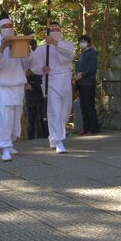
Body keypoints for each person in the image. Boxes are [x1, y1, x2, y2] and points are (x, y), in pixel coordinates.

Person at [0, 11, 34, 162]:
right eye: (5, 26)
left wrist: (28, 50)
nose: (8, 28)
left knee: (16, 117)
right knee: (5, 116)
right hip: (1, 85)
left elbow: (27, 63)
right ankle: (4, 147)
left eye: (10, 25)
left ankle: (10, 142)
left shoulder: (18, 42)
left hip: (17, 84)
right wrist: (3, 46)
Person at [31, 21, 74, 154]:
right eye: (52, 29)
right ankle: (59, 140)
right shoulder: (41, 49)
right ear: (47, 32)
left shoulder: (67, 44)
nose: (55, 30)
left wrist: (54, 43)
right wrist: (42, 68)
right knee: (54, 110)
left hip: (66, 79)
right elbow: (35, 66)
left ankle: (53, 137)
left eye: (57, 28)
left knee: (64, 112)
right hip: (51, 80)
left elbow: (68, 55)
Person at [74, 34, 99, 135]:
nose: (82, 43)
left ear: (88, 43)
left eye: (84, 41)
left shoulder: (92, 53)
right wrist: (76, 74)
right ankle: (85, 127)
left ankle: (93, 128)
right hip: (81, 84)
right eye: (80, 41)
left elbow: (92, 68)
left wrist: (82, 75)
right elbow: (77, 66)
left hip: (88, 83)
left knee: (89, 106)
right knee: (83, 106)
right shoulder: (82, 54)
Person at [24, 38, 48, 140]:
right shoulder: (22, 56)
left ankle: (44, 135)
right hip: (29, 91)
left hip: (39, 89)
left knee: (42, 116)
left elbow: (41, 71)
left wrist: (33, 71)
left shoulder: (38, 55)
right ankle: (31, 137)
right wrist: (26, 82)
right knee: (31, 118)